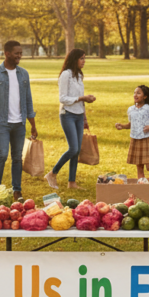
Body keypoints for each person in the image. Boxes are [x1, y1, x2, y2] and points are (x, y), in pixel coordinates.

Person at [0, 41, 38, 199]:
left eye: (20, 53)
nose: (19, 56)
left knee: (17, 157)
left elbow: (28, 100)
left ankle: (17, 190)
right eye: (16, 53)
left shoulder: (23, 74)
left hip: (20, 123)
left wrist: (33, 124)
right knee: (2, 155)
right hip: (1, 122)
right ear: (7, 53)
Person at [46, 48, 96, 190]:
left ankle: (72, 183)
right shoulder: (65, 75)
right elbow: (63, 98)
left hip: (79, 114)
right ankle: (52, 173)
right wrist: (81, 98)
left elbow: (78, 96)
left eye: (84, 58)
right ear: (74, 60)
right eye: (82, 58)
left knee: (77, 149)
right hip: (67, 114)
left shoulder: (79, 75)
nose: (84, 61)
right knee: (73, 148)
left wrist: (86, 101)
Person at [115, 85, 149, 183]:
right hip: (135, 139)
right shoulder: (131, 109)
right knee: (139, 166)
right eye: (134, 93)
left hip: (147, 138)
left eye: (138, 93)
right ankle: (141, 184)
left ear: (145, 96)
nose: (135, 95)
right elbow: (131, 124)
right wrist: (122, 126)